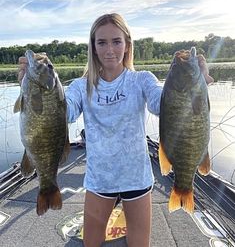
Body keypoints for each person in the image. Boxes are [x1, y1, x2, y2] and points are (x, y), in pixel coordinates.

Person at [18, 13, 213, 247]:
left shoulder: (142, 79)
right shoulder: (81, 86)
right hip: (100, 180)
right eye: (102, 42)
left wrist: (197, 85)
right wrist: (31, 91)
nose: (109, 49)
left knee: (139, 243)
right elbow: (65, 113)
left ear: (127, 45)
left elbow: (161, 105)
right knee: (91, 243)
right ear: (93, 47)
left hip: (136, 178)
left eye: (116, 41)